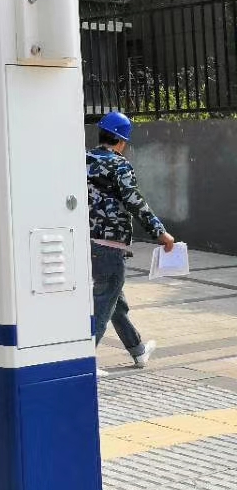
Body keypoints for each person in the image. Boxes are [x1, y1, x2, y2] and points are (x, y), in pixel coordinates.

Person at [87, 110, 175, 370]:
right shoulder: (119, 164)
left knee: (114, 300)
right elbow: (134, 201)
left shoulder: (84, 159)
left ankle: (137, 350)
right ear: (121, 140)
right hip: (110, 243)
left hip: (88, 240)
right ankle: (84, 363)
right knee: (104, 303)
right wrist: (160, 232)